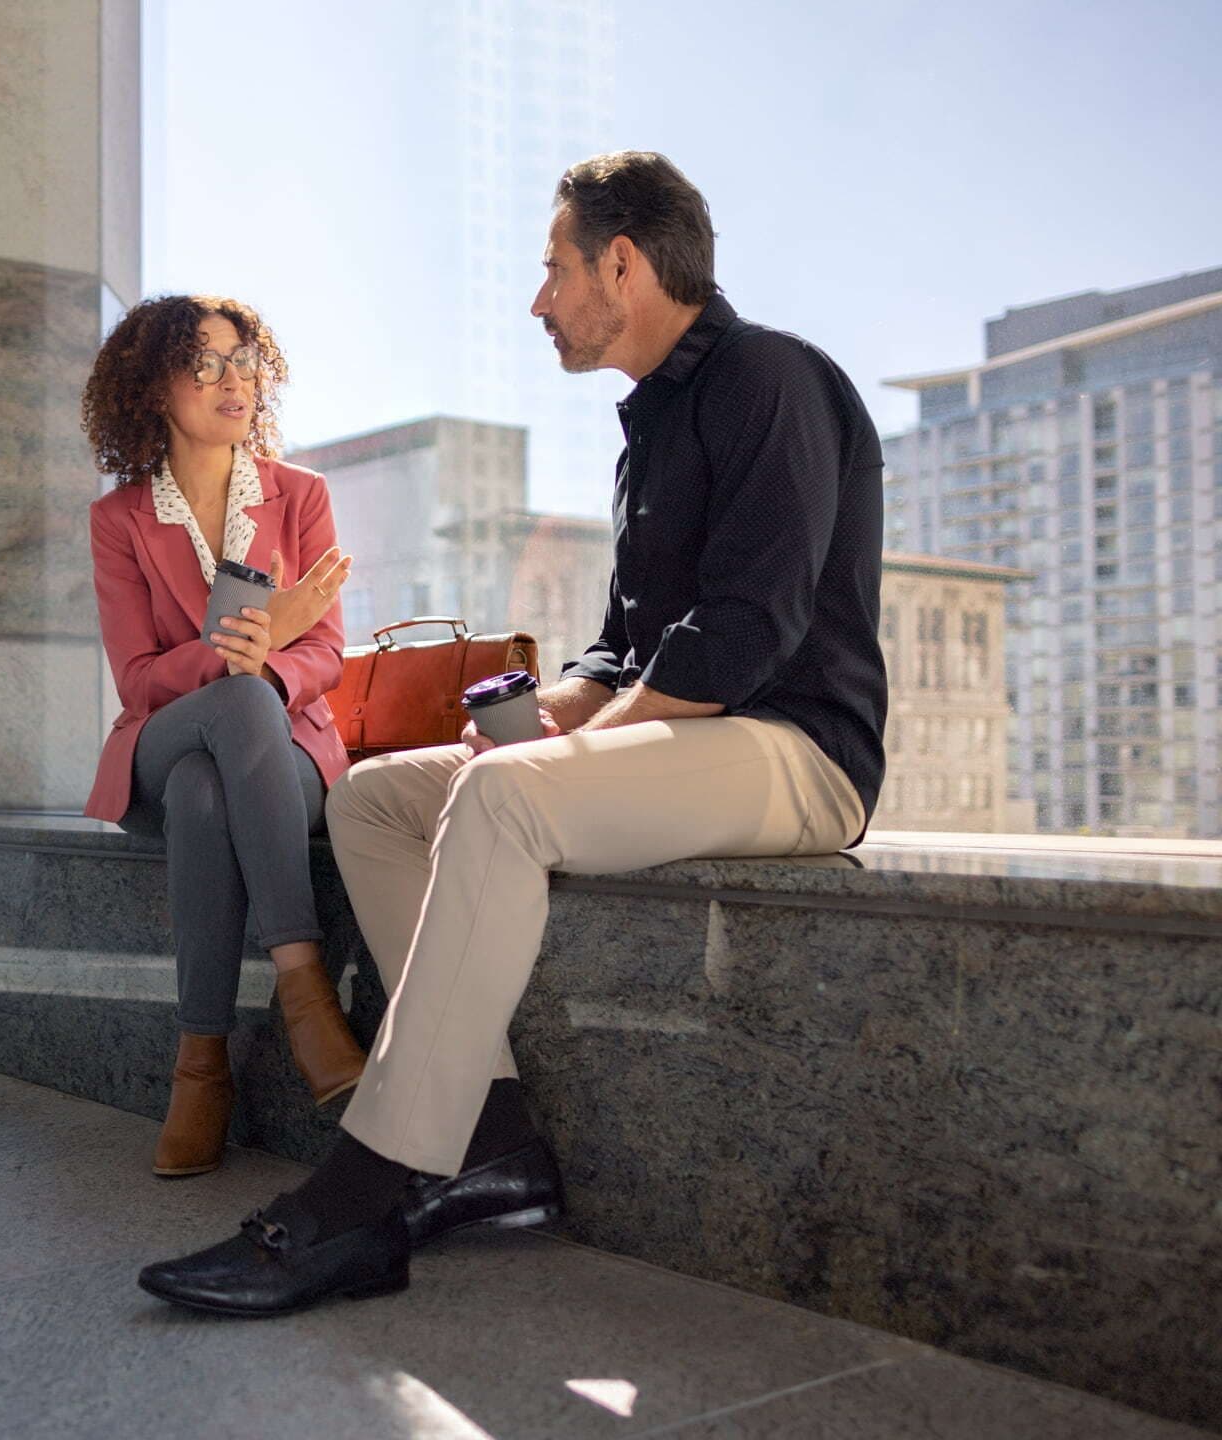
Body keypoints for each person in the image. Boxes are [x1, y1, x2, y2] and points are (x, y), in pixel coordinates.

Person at [137, 151, 889, 1313]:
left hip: (795, 752)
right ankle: (490, 1139)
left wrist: (556, 757)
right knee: (378, 800)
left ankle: (364, 1198)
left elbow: (740, 641)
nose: (538, 299)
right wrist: (531, 723)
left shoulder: (774, 382)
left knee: (504, 796)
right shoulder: (650, 433)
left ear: (623, 264)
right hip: (686, 743)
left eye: (553, 268)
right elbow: (621, 653)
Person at [83, 294, 364, 1178]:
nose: (229, 379)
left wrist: (273, 654)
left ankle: (201, 1067)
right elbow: (136, 678)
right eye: (202, 363)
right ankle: (305, 991)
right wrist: (241, 643)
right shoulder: (119, 520)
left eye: (241, 360)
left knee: (217, 776)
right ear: (151, 388)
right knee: (231, 708)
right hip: (161, 739)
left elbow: (325, 650)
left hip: (288, 753)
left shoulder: (301, 496)